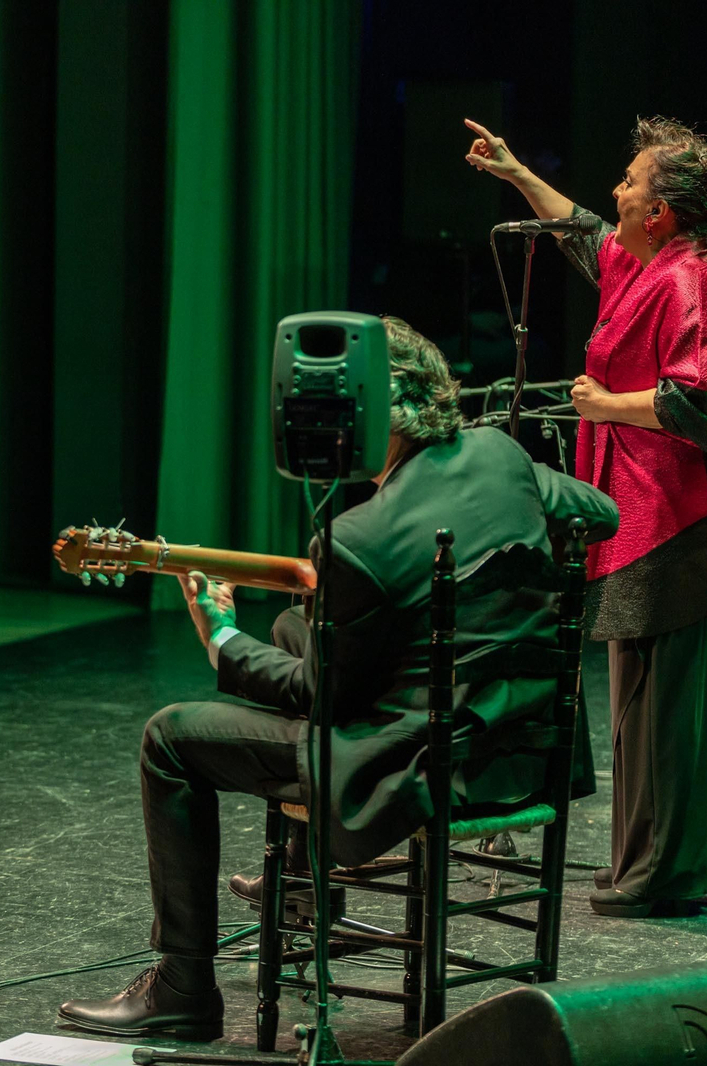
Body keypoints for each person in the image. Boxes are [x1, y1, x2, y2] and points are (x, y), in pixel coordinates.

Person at [56, 320, 618, 1039]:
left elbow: (318, 699)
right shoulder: (501, 455)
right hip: (516, 749)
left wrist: (221, 638)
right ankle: (300, 891)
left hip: (412, 766)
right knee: (297, 625)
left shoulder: (359, 538)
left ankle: (183, 986)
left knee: (169, 738)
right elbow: (600, 511)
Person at [464, 116, 707, 917]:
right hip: (639, 506)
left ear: (659, 212)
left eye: (629, 180)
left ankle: (660, 871)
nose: (615, 189)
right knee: (637, 692)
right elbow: (582, 232)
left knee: (659, 700)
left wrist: (603, 403)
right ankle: (642, 859)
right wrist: (516, 170)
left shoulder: (694, 280)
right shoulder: (651, 260)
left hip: (675, 513)